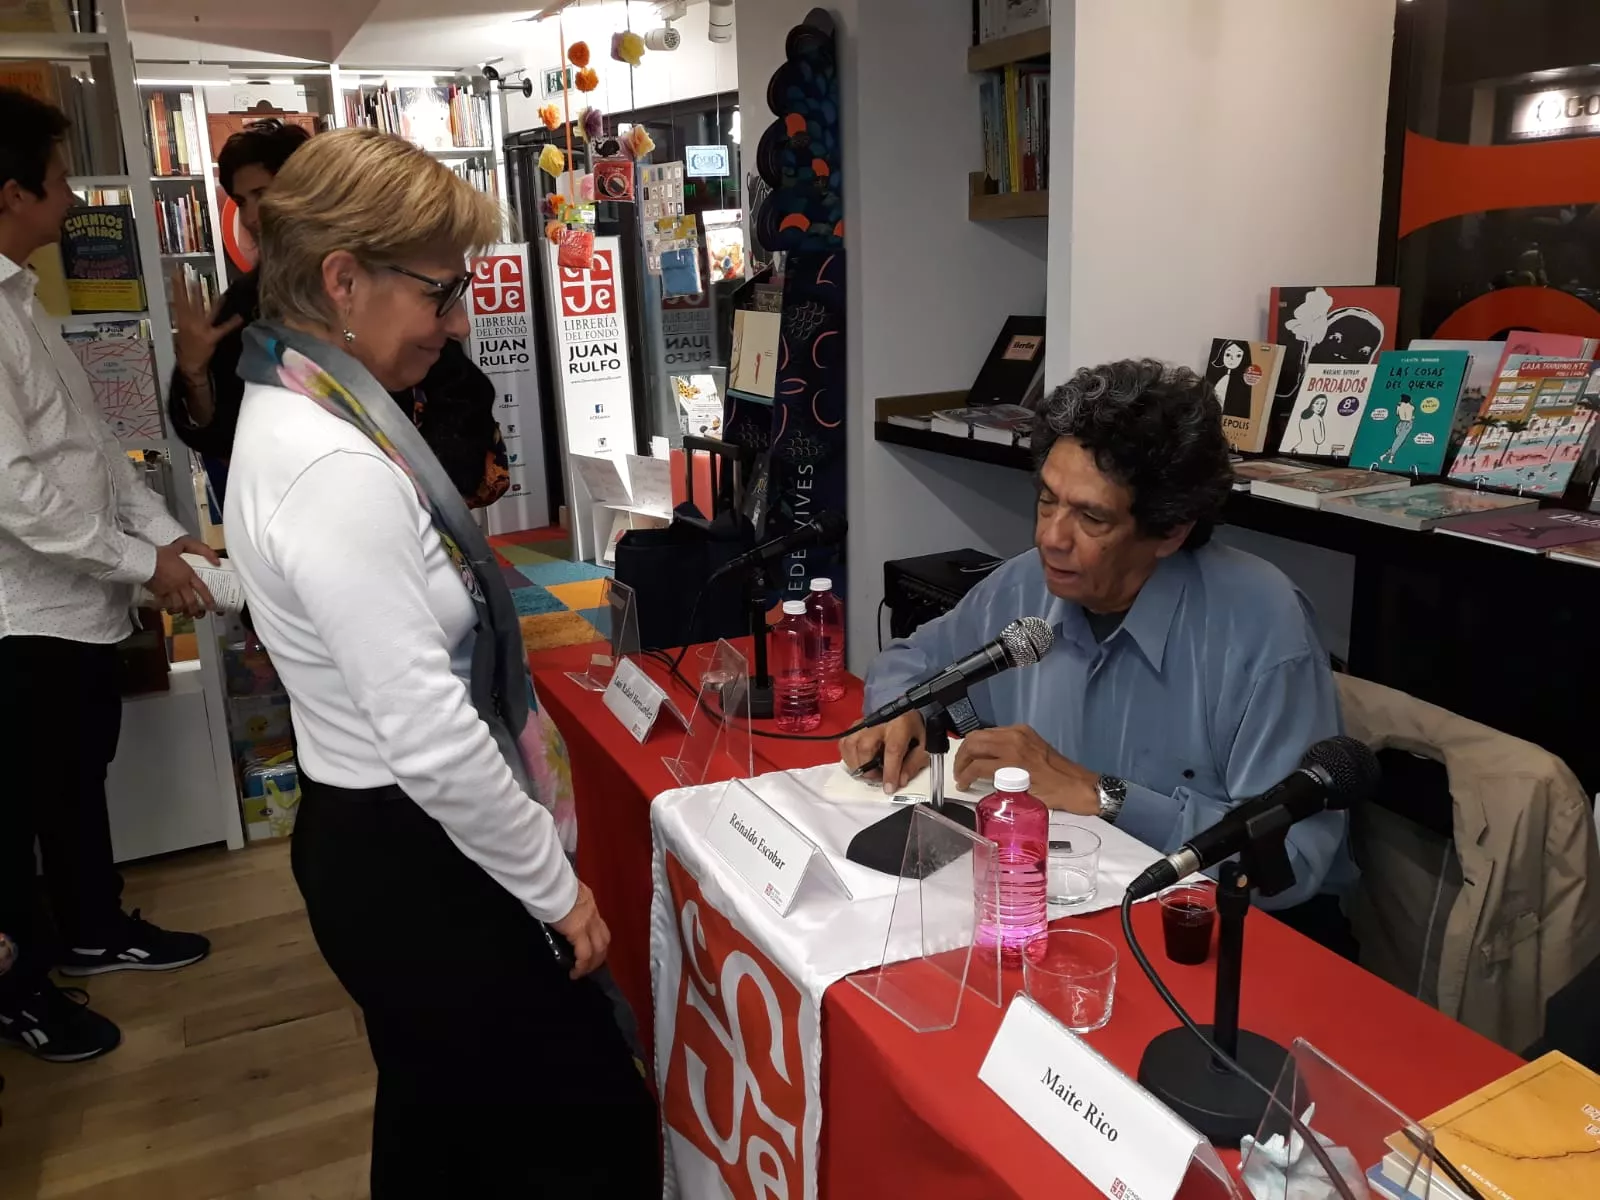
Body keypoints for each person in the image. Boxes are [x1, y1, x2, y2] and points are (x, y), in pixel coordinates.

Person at [223, 128, 655, 1195]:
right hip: (418, 854)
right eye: (440, 292)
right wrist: (556, 890)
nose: (457, 323)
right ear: (342, 280)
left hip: (379, 837)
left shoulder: (294, 405)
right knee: (582, 1128)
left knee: (444, 1125)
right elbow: (427, 730)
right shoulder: (331, 460)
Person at [840, 358, 1354, 944]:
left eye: (1090, 517)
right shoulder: (1024, 586)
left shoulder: (1264, 627)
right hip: (1059, 901)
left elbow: (1290, 863)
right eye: (1047, 500)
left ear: (1171, 531)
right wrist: (905, 711)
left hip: (1226, 931)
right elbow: (910, 661)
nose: (1050, 537)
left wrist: (1103, 797)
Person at [0, 88, 214, 1064]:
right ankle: (22, 991)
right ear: (13, 193)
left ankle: (92, 926)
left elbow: (92, 453)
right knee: (19, 813)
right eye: (58, 179)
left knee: (77, 780)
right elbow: (18, 494)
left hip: (79, 607)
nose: (73, 197)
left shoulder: (24, 300)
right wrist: (144, 563)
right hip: (23, 619)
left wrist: (173, 544)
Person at [168, 120, 508, 510]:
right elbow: (221, 434)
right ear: (342, 281)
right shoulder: (246, 306)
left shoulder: (391, 303)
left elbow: (461, 396)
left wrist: (425, 488)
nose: (251, 217)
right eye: (241, 201)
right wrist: (194, 374)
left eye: (262, 194)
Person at [1205, 339, 1254, 420]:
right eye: (1228, 354)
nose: (1232, 359)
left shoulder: (1242, 384)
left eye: (1238, 356)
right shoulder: (1216, 377)